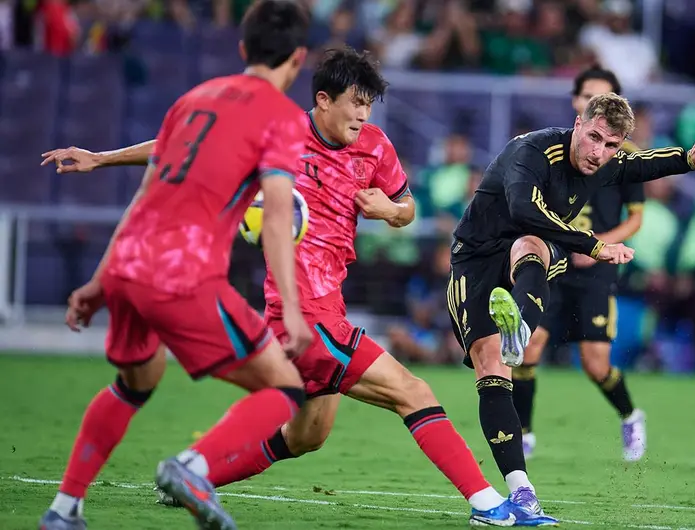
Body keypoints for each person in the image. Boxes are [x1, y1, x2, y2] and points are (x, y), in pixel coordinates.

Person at [41, 47, 548, 527]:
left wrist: (391, 211)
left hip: (327, 303)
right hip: (303, 309)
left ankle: (192, 478)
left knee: (308, 435)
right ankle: (486, 502)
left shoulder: (375, 146)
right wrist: (101, 158)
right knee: (412, 391)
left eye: (369, 106)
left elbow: (407, 207)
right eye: (355, 103)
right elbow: (182, 149)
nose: (362, 115)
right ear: (323, 100)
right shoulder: (279, 134)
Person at [39, 2, 315, 530]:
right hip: (182, 275)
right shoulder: (282, 118)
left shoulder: (196, 98)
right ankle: (191, 467)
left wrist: (101, 279)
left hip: (128, 264)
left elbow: (146, 194)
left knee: (135, 381)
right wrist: (294, 312)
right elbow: (278, 219)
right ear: (299, 58)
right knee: (285, 388)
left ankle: (63, 509)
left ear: (242, 48)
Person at [446, 92, 695, 519]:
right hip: (476, 259)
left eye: (611, 145)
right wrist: (595, 245)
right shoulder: (532, 151)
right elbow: (523, 209)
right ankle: (517, 337)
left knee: (532, 247)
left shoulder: (606, 161)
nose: (599, 152)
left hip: (530, 250)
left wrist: (688, 159)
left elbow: (641, 164)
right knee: (490, 367)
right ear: (578, 123)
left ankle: (522, 491)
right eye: (594, 137)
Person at [512, 67, 648, 462]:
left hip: (596, 270)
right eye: (588, 96)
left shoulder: (626, 156)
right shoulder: (553, 149)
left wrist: (598, 247)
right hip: (554, 262)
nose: (595, 103)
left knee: (595, 364)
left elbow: (636, 218)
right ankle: (523, 434)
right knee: (529, 347)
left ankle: (630, 415)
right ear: (576, 103)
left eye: (604, 96)